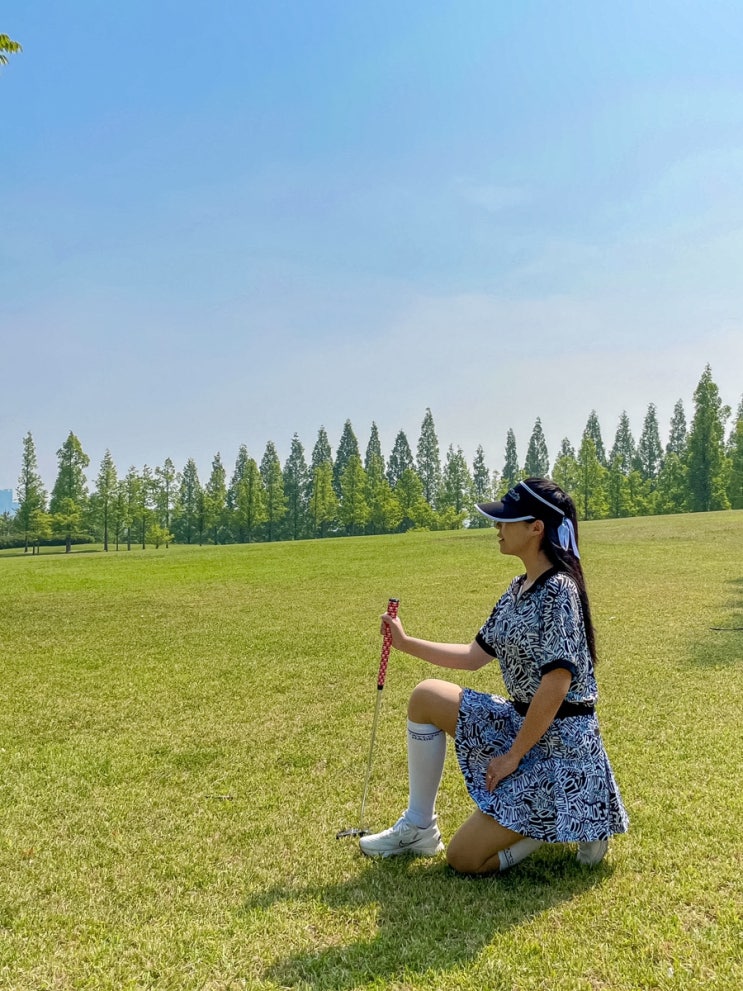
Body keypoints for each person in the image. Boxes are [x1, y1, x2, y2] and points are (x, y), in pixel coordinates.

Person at [359, 478, 629, 874]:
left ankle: (556, 821)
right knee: (426, 696)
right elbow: (473, 656)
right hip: (524, 721)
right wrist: (405, 643)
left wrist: (512, 756)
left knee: (465, 858)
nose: (498, 527)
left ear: (536, 528)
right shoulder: (517, 588)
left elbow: (557, 684)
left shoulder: (560, 590)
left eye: (507, 520)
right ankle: (419, 827)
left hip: (563, 748)